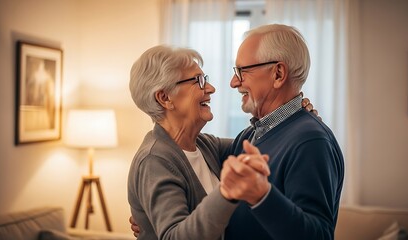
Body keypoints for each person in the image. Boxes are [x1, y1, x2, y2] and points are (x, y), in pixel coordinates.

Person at [127, 45, 315, 240]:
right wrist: (225, 192)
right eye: (198, 81)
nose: (211, 88)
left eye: (205, 79)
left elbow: (264, 142)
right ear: (164, 97)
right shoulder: (154, 160)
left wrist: (293, 115)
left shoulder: (205, 146)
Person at [219, 24, 345, 239]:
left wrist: (262, 196)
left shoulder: (311, 141)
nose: (234, 82)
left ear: (278, 73)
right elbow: (194, 151)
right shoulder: (249, 136)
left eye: (242, 71)